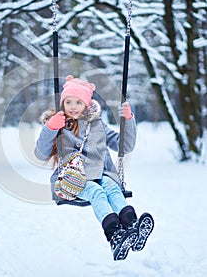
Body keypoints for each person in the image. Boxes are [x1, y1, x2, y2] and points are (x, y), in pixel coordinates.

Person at [35, 75, 154, 261]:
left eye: (78, 102)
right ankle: (115, 236)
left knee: (112, 188)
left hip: (101, 173)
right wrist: (50, 128)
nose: (73, 106)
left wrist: (128, 119)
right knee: (97, 191)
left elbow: (125, 146)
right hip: (72, 179)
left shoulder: (98, 125)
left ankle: (132, 228)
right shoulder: (59, 125)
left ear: (87, 105)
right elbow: (40, 153)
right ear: (62, 103)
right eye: (68, 102)